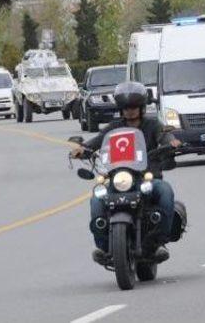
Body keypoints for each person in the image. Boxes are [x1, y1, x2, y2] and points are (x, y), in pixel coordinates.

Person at [70, 82, 182, 265]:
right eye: (126, 108)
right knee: (97, 199)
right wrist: (82, 149)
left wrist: (172, 142)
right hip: (118, 178)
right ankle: (103, 247)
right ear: (120, 109)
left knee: (165, 191)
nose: (130, 111)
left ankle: (158, 243)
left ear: (141, 107)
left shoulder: (153, 124)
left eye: (133, 107)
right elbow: (98, 140)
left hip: (147, 177)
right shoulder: (114, 127)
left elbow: (165, 135)